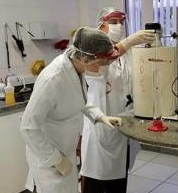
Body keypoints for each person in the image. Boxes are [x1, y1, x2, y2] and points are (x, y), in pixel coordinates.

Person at [20, 27, 123, 193]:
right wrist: (56, 160)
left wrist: (100, 116)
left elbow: (78, 100)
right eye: (101, 64)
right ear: (85, 58)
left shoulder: (76, 68)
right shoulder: (53, 79)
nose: (102, 68)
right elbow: (28, 127)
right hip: (48, 160)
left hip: (65, 154)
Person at [80, 7, 155, 193]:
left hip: (123, 127)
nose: (119, 26)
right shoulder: (91, 51)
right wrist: (129, 41)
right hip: (101, 128)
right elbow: (103, 63)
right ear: (101, 26)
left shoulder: (127, 54)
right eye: (113, 22)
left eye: (121, 22)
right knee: (96, 183)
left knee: (119, 183)